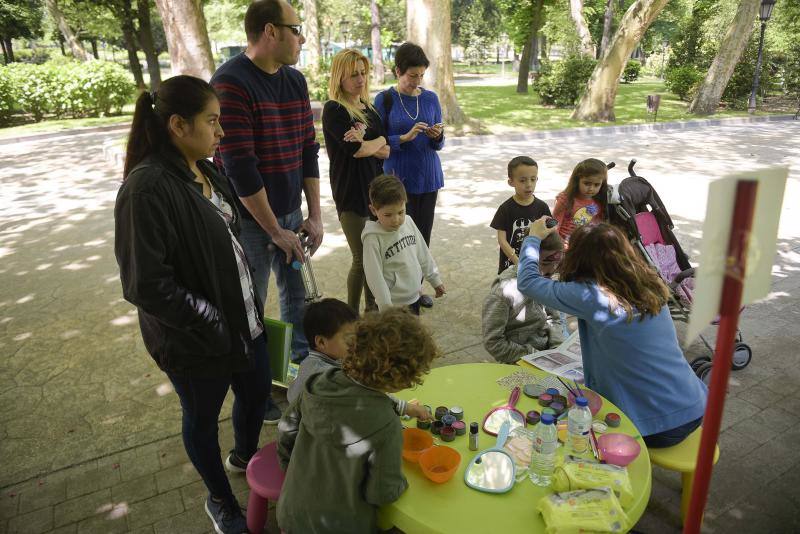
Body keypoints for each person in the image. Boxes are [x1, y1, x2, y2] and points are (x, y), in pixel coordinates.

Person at [114, 76, 266, 534]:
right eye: (213, 121)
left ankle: (243, 457)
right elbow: (146, 284)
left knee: (257, 396)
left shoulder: (206, 167)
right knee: (201, 420)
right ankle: (220, 499)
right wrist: (211, 320)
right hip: (196, 341)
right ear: (178, 125)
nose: (222, 132)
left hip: (244, 322)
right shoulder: (146, 188)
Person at [211, 1, 320, 408]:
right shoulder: (230, 83)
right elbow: (240, 168)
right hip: (249, 222)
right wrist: (275, 230)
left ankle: (298, 378)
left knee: (298, 300)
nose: (302, 37)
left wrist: (316, 215)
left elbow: (309, 148)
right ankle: (254, 393)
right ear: (271, 32)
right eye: (296, 28)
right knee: (249, 310)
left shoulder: (295, 81)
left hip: (291, 214)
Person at [517, 219, 708, 448]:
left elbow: (527, 282)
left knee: (572, 433)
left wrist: (533, 238)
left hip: (658, 425)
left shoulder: (592, 296)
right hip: (694, 404)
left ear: (579, 259)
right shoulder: (647, 282)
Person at [277, 307, 439, 533]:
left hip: (291, 514)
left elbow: (286, 432)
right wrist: (404, 483)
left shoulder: (315, 383)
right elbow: (383, 492)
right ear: (401, 382)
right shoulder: (386, 424)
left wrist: (292, 467)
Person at [375, 42, 445, 309]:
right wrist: (403, 137)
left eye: (420, 75)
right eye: (411, 75)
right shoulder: (385, 100)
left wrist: (437, 136)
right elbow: (377, 141)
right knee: (396, 238)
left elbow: (439, 142)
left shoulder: (430, 98)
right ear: (398, 71)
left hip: (428, 177)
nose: (416, 81)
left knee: (420, 237)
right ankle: (395, 291)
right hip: (397, 179)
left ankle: (415, 290)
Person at [287, 298, 432, 420]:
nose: (357, 343)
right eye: (349, 339)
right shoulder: (329, 377)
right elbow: (368, 397)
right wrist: (406, 408)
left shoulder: (311, 362)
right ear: (321, 342)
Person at [322, 49, 389, 313]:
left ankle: (372, 311)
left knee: (376, 256)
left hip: (376, 190)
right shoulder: (335, 110)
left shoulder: (369, 108)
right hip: (350, 192)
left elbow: (386, 150)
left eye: (363, 73)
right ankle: (350, 315)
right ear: (340, 77)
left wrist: (376, 141)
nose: (361, 79)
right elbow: (356, 151)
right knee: (361, 258)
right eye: (353, 75)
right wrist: (374, 143)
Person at [362, 174, 445, 314]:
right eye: (388, 215)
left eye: (401, 212)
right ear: (373, 210)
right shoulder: (372, 239)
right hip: (392, 306)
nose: (396, 220)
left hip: (414, 297)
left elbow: (423, 253)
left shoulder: (409, 222)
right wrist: (386, 308)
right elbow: (374, 277)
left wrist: (434, 279)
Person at [482, 231, 565, 364]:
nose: (552, 269)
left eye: (557, 263)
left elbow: (553, 317)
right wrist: (535, 357)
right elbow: (493, 342)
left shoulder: (546, 278)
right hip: (519, 360)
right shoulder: (503, 292)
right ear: (526, 259)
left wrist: (557, 347)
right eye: (545, 263)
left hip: (547, 353)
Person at [490, 156, 552, 274]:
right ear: (511, 182)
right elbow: (502, 240)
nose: (529, 185)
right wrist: (517, 261)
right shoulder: (505, 209)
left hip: (535, 264)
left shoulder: (542, 207)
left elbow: (549, 234)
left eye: (533, 179)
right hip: (510, 265)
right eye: (522, 180)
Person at [553, 158, 608, 245]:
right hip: (566, 245)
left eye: (596, 185)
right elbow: (555, 225)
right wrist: (559, 245)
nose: (591, 188)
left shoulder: (600, 201)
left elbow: (599, 225)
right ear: (577, 180)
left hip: (588, 244)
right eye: (587, 183)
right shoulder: (565, 199)